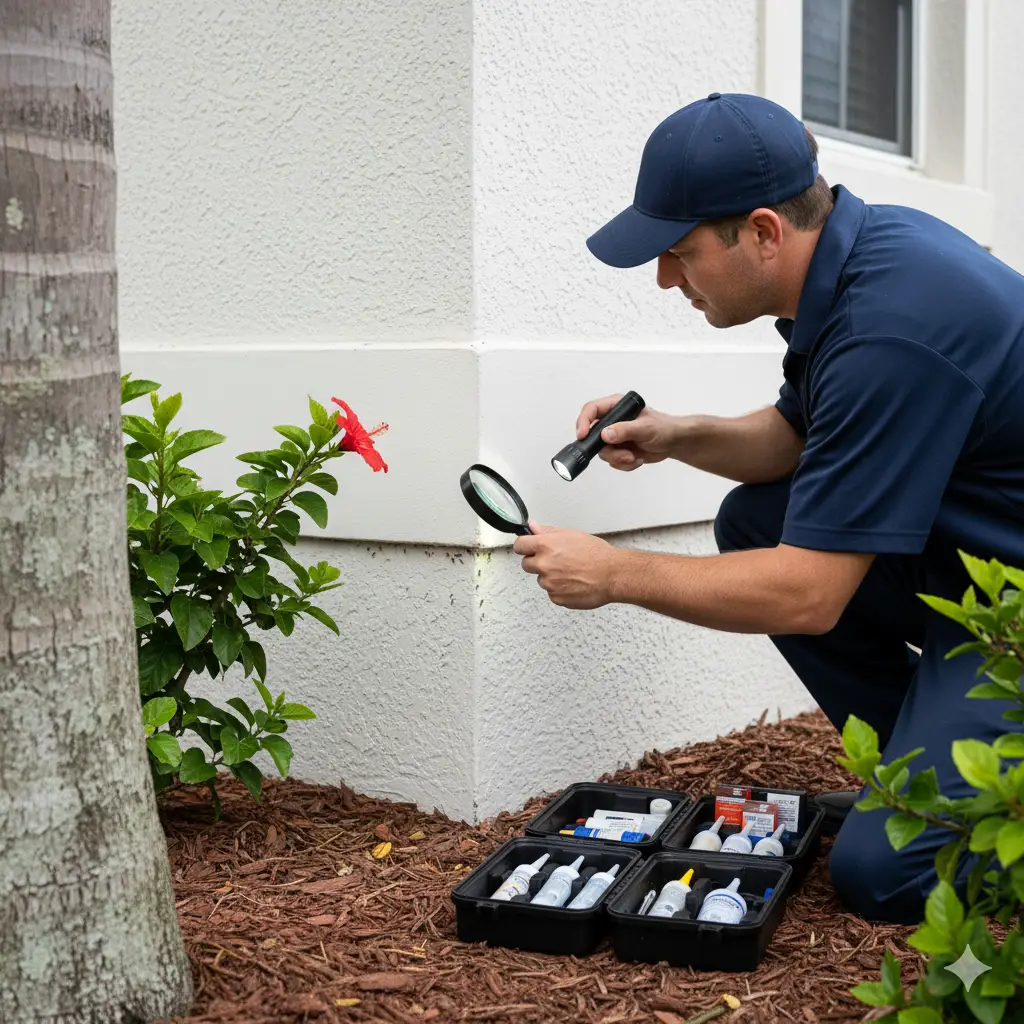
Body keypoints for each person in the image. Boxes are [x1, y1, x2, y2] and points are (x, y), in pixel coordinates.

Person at [512, 91, 1024, 924]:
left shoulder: (888, 327)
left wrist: (614, 571)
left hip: (1013, 612)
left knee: (884, 875)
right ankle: (933, 766)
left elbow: (806, 595)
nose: (664, 277)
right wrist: (678, 434)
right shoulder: (859, 255)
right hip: (985, 563)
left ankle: (978, 805)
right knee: (757, 520)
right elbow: (796, 435)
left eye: (678, 252)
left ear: (761, 232)